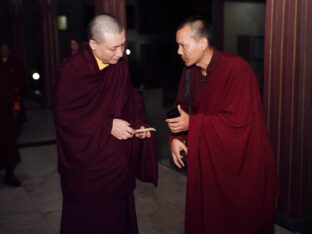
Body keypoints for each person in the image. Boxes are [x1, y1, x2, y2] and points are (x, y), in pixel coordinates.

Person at [166, 16, 278, 234]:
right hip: (208, 159)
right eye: (178, 46)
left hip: (241, 163)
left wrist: (194, 125)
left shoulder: (237, 70)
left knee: (245, 221)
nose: (179, 52)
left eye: (183, 45)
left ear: (203, 43)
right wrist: (177, 138)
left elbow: (238, 123)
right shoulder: (189, 73)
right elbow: (182, 108)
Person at [53, 14, 158, 234]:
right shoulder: (73, 70)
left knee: (118, 220)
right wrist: (108, 125)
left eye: (123, 45)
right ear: (93, 44)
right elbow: (66, 117)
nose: (120, 53)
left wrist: (138, 124)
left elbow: (131, 100)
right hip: (87, 170)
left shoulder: (119, 65)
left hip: (115, 164)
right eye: (113, 48)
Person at [0, 42, 23, 187]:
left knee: (9, 144)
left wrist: (15, 109)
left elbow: (14, 93)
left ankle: (9, 174)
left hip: (7, 113)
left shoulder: (10, 68)